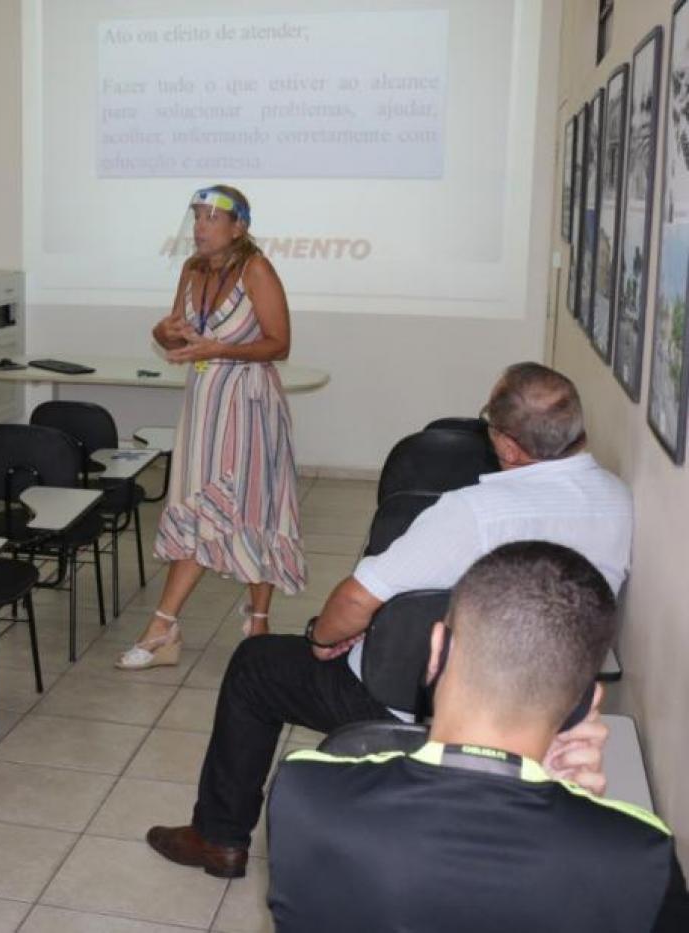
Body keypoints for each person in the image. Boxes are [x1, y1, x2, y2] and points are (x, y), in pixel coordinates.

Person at [147, 362, 627, 879]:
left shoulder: (473, 511)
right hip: (555, 707)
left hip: (424, 703)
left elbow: (354, 603)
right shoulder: (617, 501)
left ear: (508, 447)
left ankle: (219, 837)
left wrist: (320, 637)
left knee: (255, 664)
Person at [267, 542, 689, 932]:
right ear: (586, 701)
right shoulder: (640, 857)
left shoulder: (305, 795)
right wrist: (585, 815)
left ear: (436, 651)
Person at [119, 185, 305, 671]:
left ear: (238, 226)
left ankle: (242, 620)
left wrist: (216, 350)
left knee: (250, 505)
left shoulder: (256, 269)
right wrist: (164, 333)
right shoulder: (192, 269)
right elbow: (175, 331)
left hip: (248, 403)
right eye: (196, 217)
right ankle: (172, 628)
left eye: (211, 218)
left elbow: (278, 344)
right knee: (202, 503)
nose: (200, 227)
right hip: (204, 403)